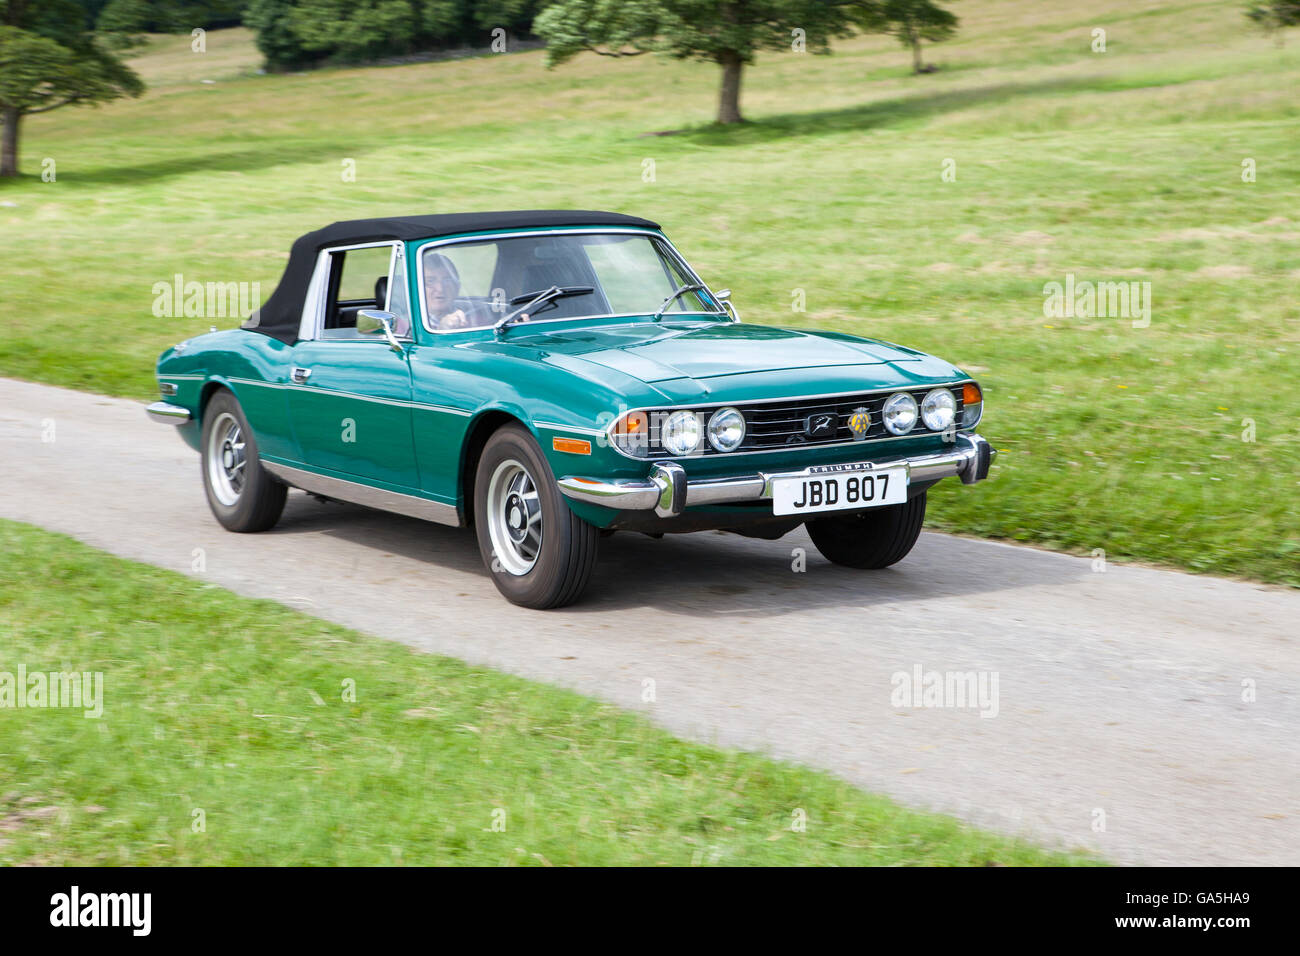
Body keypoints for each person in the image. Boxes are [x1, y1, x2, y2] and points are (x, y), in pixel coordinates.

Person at [423, 253, 491, 329]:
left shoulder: (477, 321)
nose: (440, 288)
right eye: (430, 281)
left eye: (447, 280)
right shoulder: (409, 326)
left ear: (457, 287)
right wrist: (441, 330)